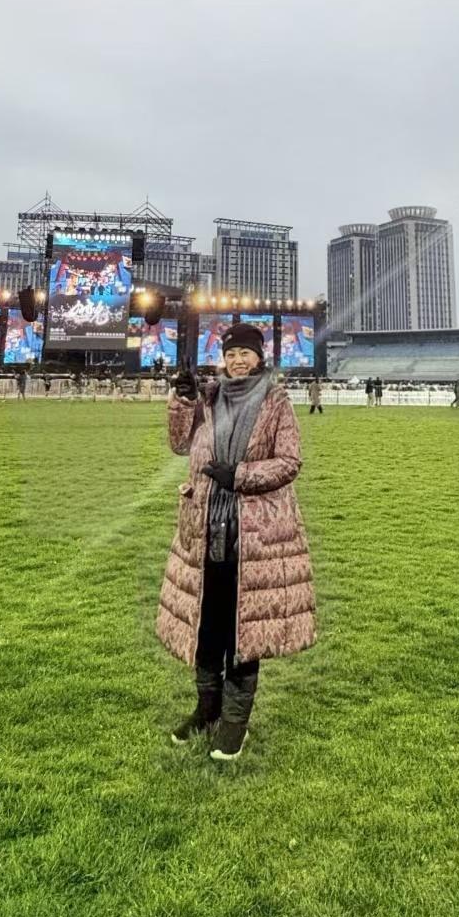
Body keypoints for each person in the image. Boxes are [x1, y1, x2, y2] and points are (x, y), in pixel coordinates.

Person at [158, 323, 315, 762]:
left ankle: (234, 724)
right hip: (205, 527)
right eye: (231, 354)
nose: (238, 360)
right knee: (207, 623)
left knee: (244, 629)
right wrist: (182, 399)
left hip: (256, 535)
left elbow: (289, 461)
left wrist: (240, 477)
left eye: (246, 353)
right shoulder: (208, 399)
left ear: (260, 358)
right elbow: (178, 444)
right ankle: (207, 709)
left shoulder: (276, 402)